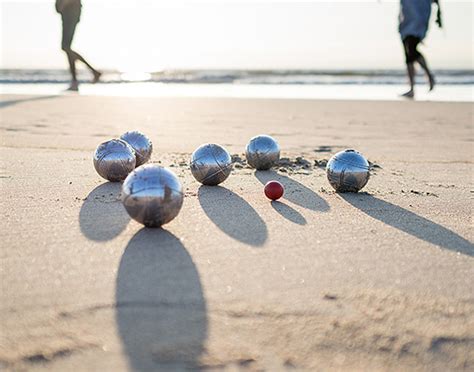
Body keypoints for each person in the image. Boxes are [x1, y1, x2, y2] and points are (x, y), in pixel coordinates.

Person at [399, 0, 442, 98]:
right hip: (406, 18)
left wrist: (439, 13)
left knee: (411, 49)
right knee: (408, 55)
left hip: (419, 17)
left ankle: (429, 76)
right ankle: (412, 88)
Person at [56, 0, 101, 91]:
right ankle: (77, 80)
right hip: (68, 15)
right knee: (67, 48)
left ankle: (88, 74)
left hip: (70, 15)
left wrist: (63, 5)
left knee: (66, 47)